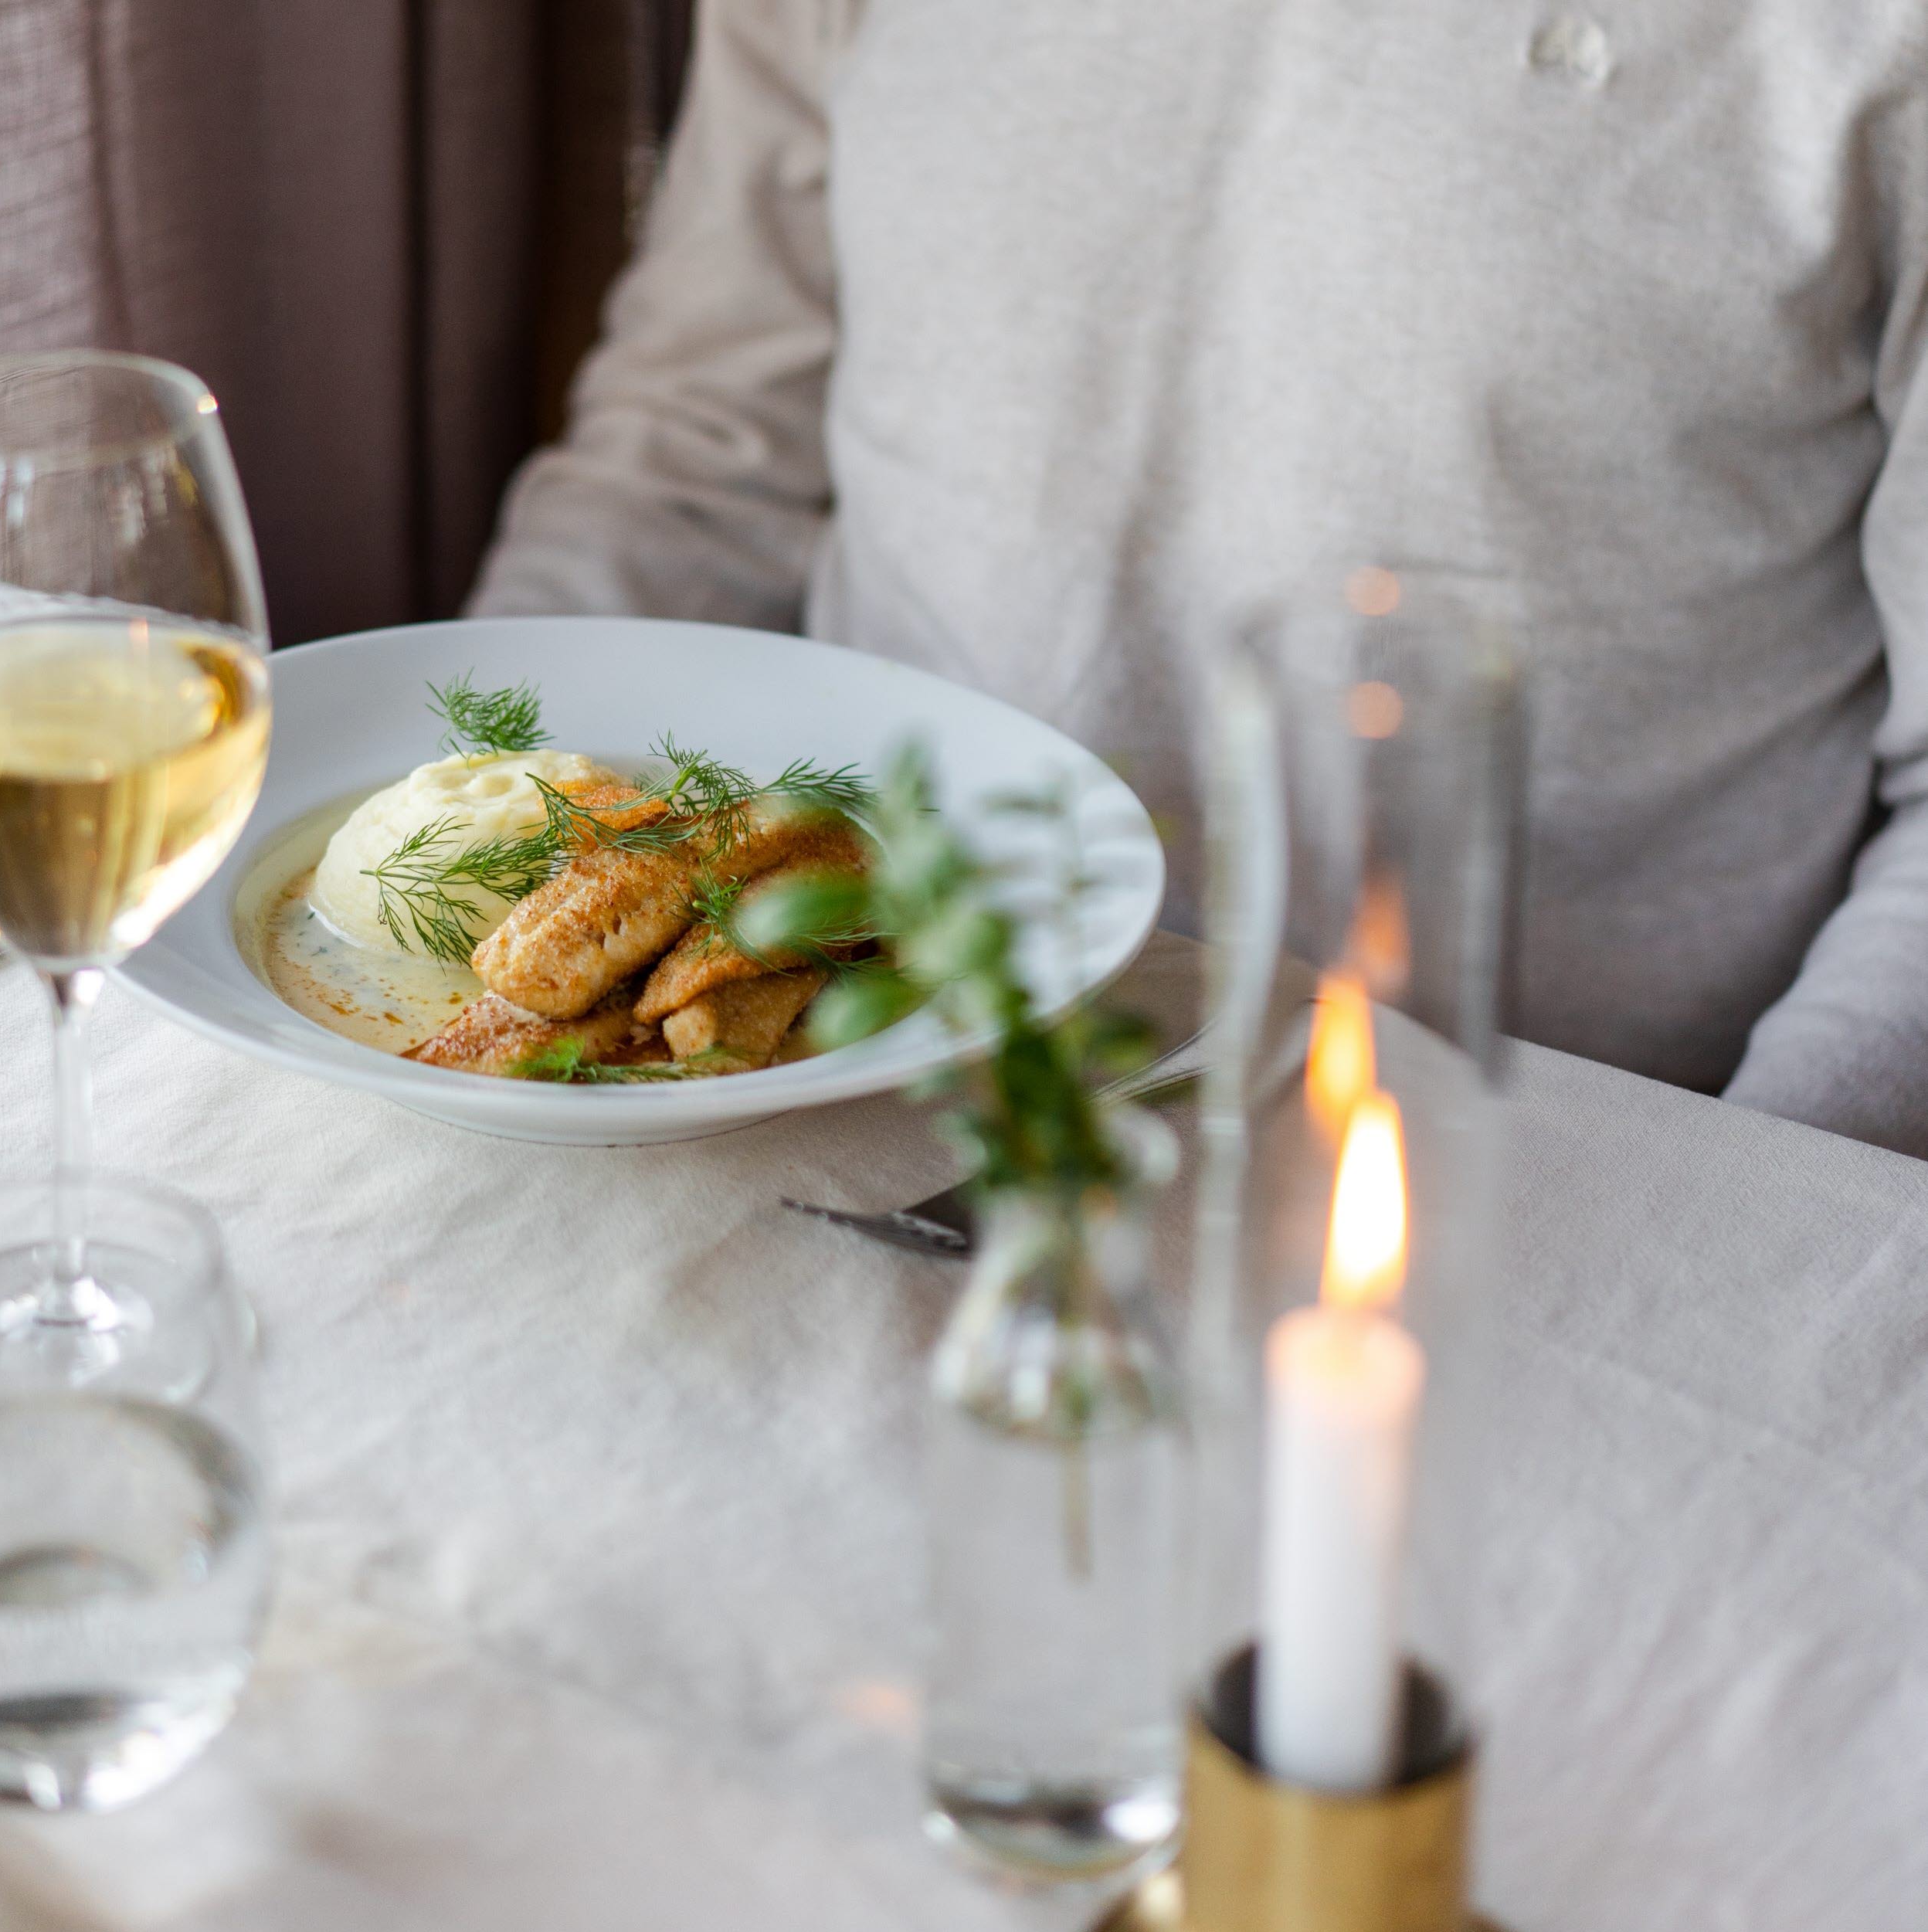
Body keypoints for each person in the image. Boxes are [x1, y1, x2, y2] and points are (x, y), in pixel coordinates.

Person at [470, 2, 1928, 1158]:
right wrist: (439, 915)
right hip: (822, 1100)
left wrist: (1753, 1235)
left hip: (1561, 1179)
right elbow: (691, 466)